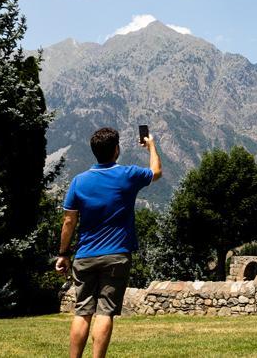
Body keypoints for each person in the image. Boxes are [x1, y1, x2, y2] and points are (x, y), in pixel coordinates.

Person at [56, 127, 162, 358]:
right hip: (117, 255)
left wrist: (63, 254)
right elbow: (156, 172)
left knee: (82, 312)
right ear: (117, 150)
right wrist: (151, 146)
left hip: (84, 256)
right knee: (104, 312)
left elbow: (68, 221)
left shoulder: (78, 182)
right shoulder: (127, 175)